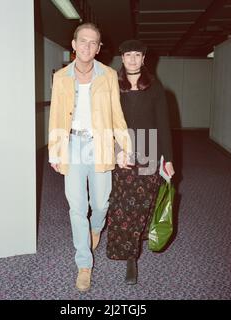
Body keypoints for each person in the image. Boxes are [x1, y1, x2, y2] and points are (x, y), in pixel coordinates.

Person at [48, 23, 132, 292]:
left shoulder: (107, 75)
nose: (87, 46)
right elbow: (56, 116)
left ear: (99, 48)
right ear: (73, 45)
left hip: (100, 143)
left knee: (101, 202)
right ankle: (84, 265)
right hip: (72, 143)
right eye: (82, 41)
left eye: (93, 42)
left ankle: (96, 228)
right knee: (76, 207)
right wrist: (55, 150)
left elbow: (116, 114)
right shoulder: (61, 77)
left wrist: (124, 147)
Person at [106, 39, 175, 285]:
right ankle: (127, 253)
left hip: (149, 148)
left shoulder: (155, 88)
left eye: (137, 55)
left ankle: (132, 254)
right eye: (128, 55)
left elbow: (164, 125)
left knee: (142, 203)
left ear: (144, 58)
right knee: (122, 204)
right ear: (121, 58)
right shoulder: (112, 85)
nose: (133, 59)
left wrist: (168, 159)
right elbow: (108, 122)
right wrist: (115, 150)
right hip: (123, 150)